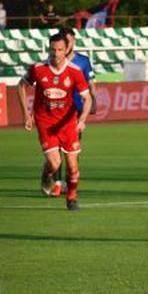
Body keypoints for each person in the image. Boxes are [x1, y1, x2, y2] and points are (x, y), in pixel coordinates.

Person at [20, 32, 92, 211]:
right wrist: (26, 114)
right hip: (45, 122)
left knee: (72, 165)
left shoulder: (75, 71)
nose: (56, 54)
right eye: (53, 49)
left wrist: (82, 119)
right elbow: (21, 86)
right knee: (54, 163)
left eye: (60, 50)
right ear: (49, 49)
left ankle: (71, 198)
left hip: (68, 123)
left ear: (67, 50)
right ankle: (46, 176)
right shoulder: (38, 69)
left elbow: (87, 98)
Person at [39, 28, 96, 196]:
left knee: (71, 150)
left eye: (70, 41)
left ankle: (68, 181)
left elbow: (91, 81)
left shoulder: (83, 61)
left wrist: (93, 99)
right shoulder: (51, 62)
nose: (68, 44)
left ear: (73, 42)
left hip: (75, 112)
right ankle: (57, 183)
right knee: (56, 151)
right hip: (55, 113)